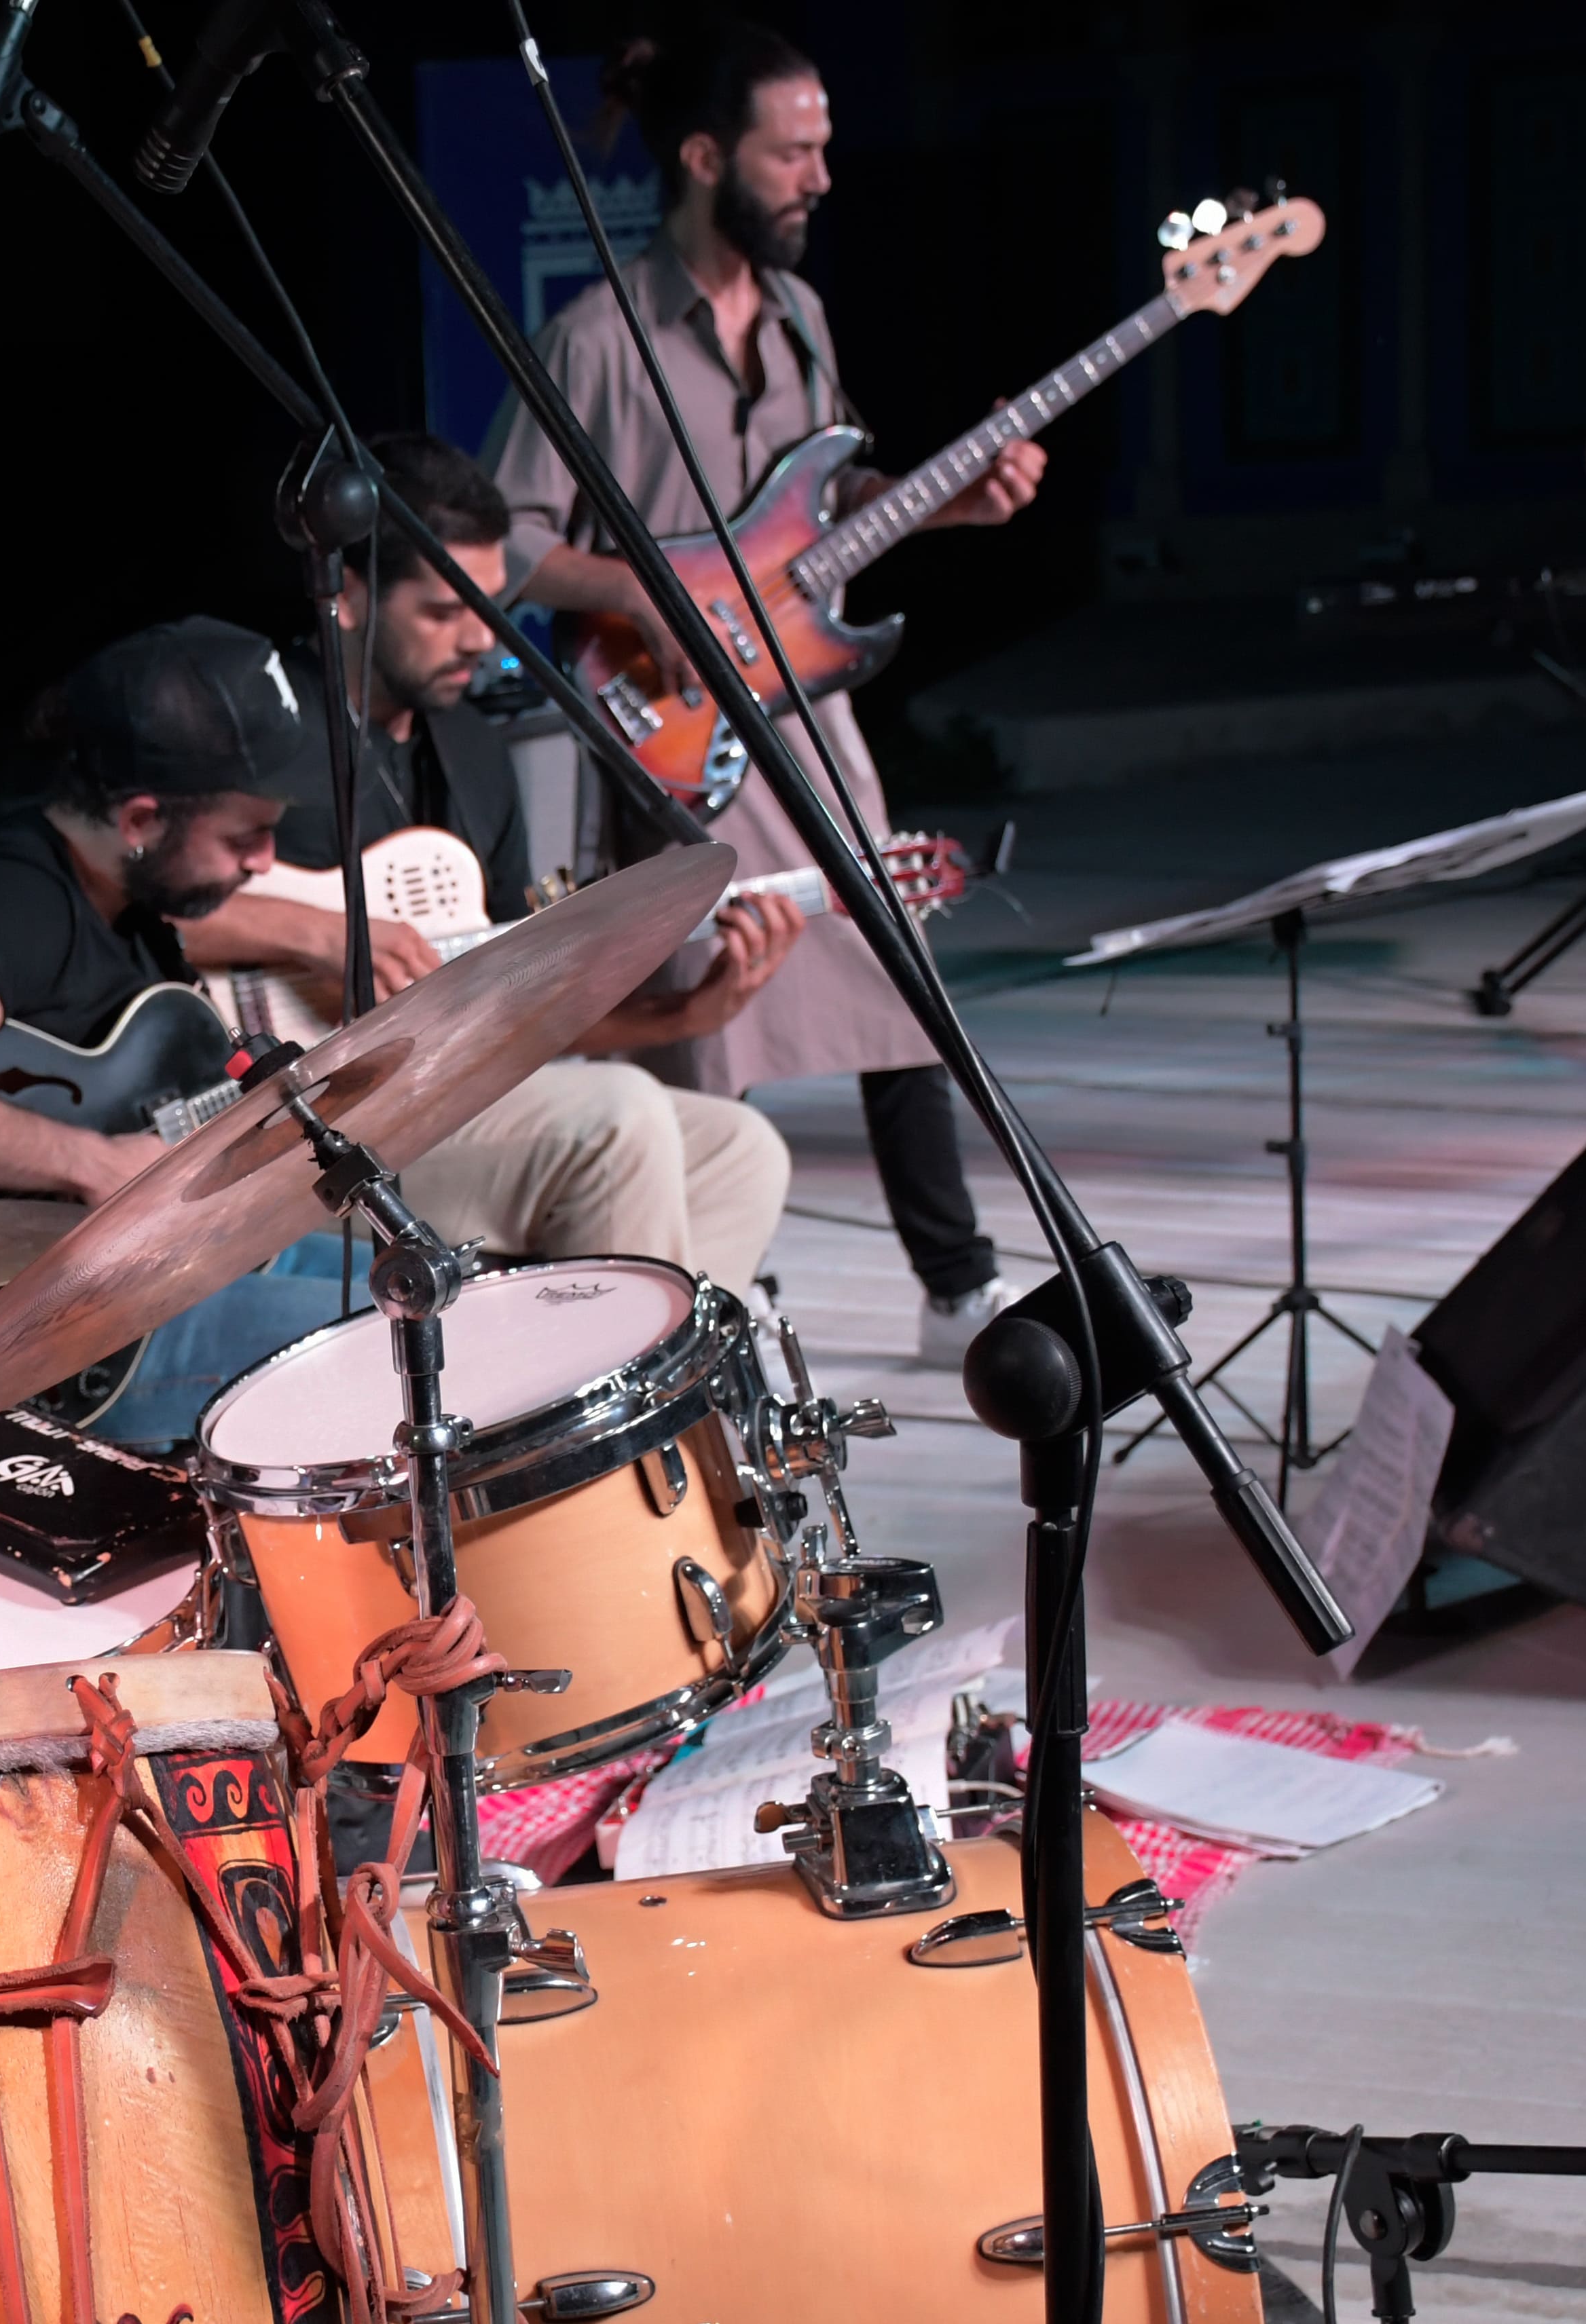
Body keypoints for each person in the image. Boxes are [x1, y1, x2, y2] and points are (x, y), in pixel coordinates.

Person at [486, 16, 1045, 1365]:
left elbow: (823, 502)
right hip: (673, 735)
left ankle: (956, 1282)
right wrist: (639, 595)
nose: (820, 178)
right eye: (793, 152)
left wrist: (940, 504)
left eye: (823, 149)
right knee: (711, 992)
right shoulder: (597, 339)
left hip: (808, 712)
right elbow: (505, 536)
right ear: (702, 158)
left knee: (894, 954)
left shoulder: (801, 317)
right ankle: (715, 1281)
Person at [174, 431, 803, 1291]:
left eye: (488, 604)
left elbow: (517, 1004)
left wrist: (683, 1017)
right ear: (349, 597)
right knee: (617, 1121)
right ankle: (604, 1420)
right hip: (287, 1134)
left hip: (433, 1103)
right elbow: (138, 915)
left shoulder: (470, 752)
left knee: (741, 1150)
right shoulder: (254, 721)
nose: (480, 639)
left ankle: (667, 1416)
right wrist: (323, 935)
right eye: (442, 612)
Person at [0, 618, 349, 1441]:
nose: (264, 860)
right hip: (54, 1346)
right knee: (401, 1346)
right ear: (140, 820)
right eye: (245, 835)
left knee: (429, 1282)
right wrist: (96, 1164)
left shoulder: (125, 902)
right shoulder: (13, 902)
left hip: (161, 1277)